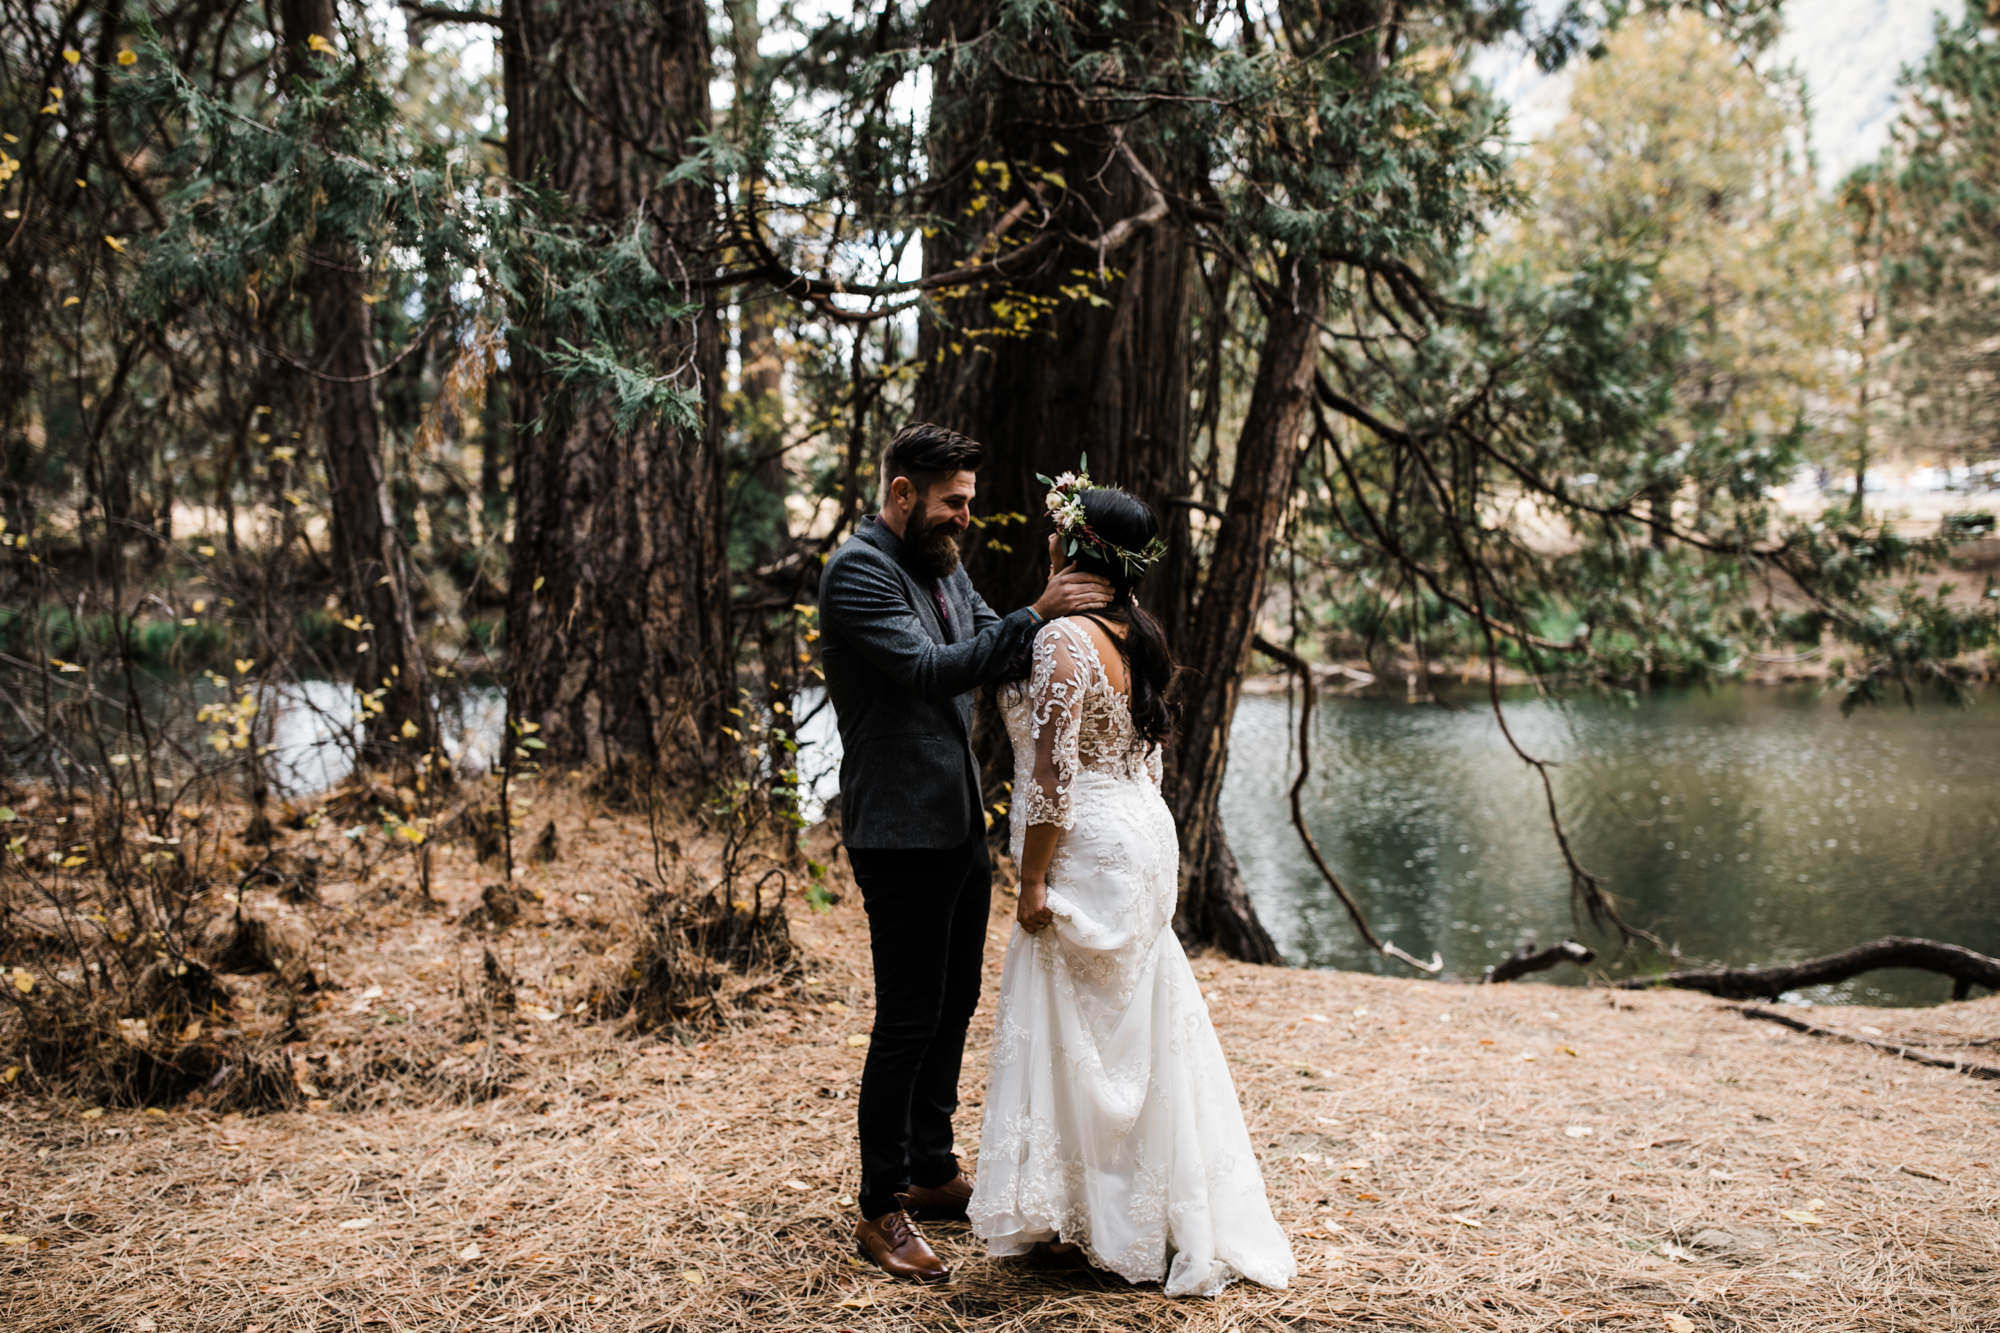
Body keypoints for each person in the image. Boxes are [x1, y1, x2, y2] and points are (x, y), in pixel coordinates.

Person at [968, 467, 1296, 1297]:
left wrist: (1032, 878)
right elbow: (1143, 758)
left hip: (1084, 841)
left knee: (1077, 1028)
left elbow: (1048, 781)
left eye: (1056, 531)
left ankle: (1093, 1216)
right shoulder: (1135, 632)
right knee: (1131, 1025)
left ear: (1073, 545)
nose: (1047, 541)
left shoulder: (1061, 642)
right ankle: (1133, 1208)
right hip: (1142, 831)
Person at [817, 423, 1112, 1282]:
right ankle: (881, 1207)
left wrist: (1069, 637)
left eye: (971, 502)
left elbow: (1000, 647)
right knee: (907, 1016)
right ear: (902, 493)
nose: (966, 517)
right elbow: (930, 669)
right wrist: (1038, 608)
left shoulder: (944, 563)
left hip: (956, 825)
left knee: (954, 1001)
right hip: (896, 832)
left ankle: (932, 1164)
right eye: (954, 501)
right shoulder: (859, 571)